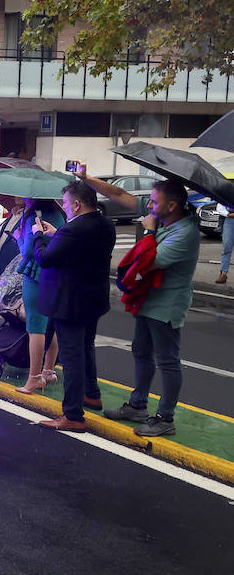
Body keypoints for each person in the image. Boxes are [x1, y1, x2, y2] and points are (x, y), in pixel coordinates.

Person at [87, 173, 200, 436]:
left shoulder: (185, 234)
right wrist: (86, 177)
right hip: (148, 300)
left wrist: (148, 231)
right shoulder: (163, 217)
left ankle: (165, 418)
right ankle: (138, 406)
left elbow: (148, 263)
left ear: (171, 206)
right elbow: (118, 194)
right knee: (140, 351)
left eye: (152, 201)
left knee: (168, 361)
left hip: (167, 305)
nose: (147, 206)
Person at [34, 179, 116, 431]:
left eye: (67, 204)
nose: (65, 208)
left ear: (77, 205)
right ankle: (91, 393)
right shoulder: (105, 224)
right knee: (86, 347)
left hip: (69, 301)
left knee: (72, 356)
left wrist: (38, 236)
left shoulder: (73, 230)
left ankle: (72, 415)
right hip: (94, 299)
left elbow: (45, 259)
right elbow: (81, 249)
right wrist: (56, 234)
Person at [9, 198, 65, 394]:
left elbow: (28, 252)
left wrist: (18, 237)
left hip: (36, 274)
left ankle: (34, 377)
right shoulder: (58, 214)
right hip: (56, 274)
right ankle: (48, 371)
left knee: (36, 327)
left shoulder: (34, 216)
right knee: (51, 325)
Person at [217, 203, 232, 284]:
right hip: (230, 220)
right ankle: (223, 274)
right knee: (226, 247)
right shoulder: (228, 192)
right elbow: (219, 206)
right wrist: (228, 214)